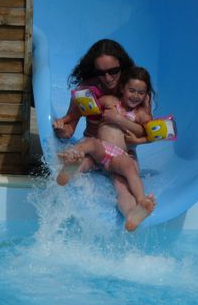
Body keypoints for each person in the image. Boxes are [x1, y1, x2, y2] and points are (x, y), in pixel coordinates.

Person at [51, 39, 154, 228]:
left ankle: (133, 213)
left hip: (122, 154)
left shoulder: (136, 90)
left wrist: (119, 120)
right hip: (96, 147)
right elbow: (70, 124)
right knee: (84, 159)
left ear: (122, 66)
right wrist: (61, 129)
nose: (107, 78)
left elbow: (147, 130)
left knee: (123, 187)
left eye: (113, 71)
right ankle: (68, 169)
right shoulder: (87, 91)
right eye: (101, 72)